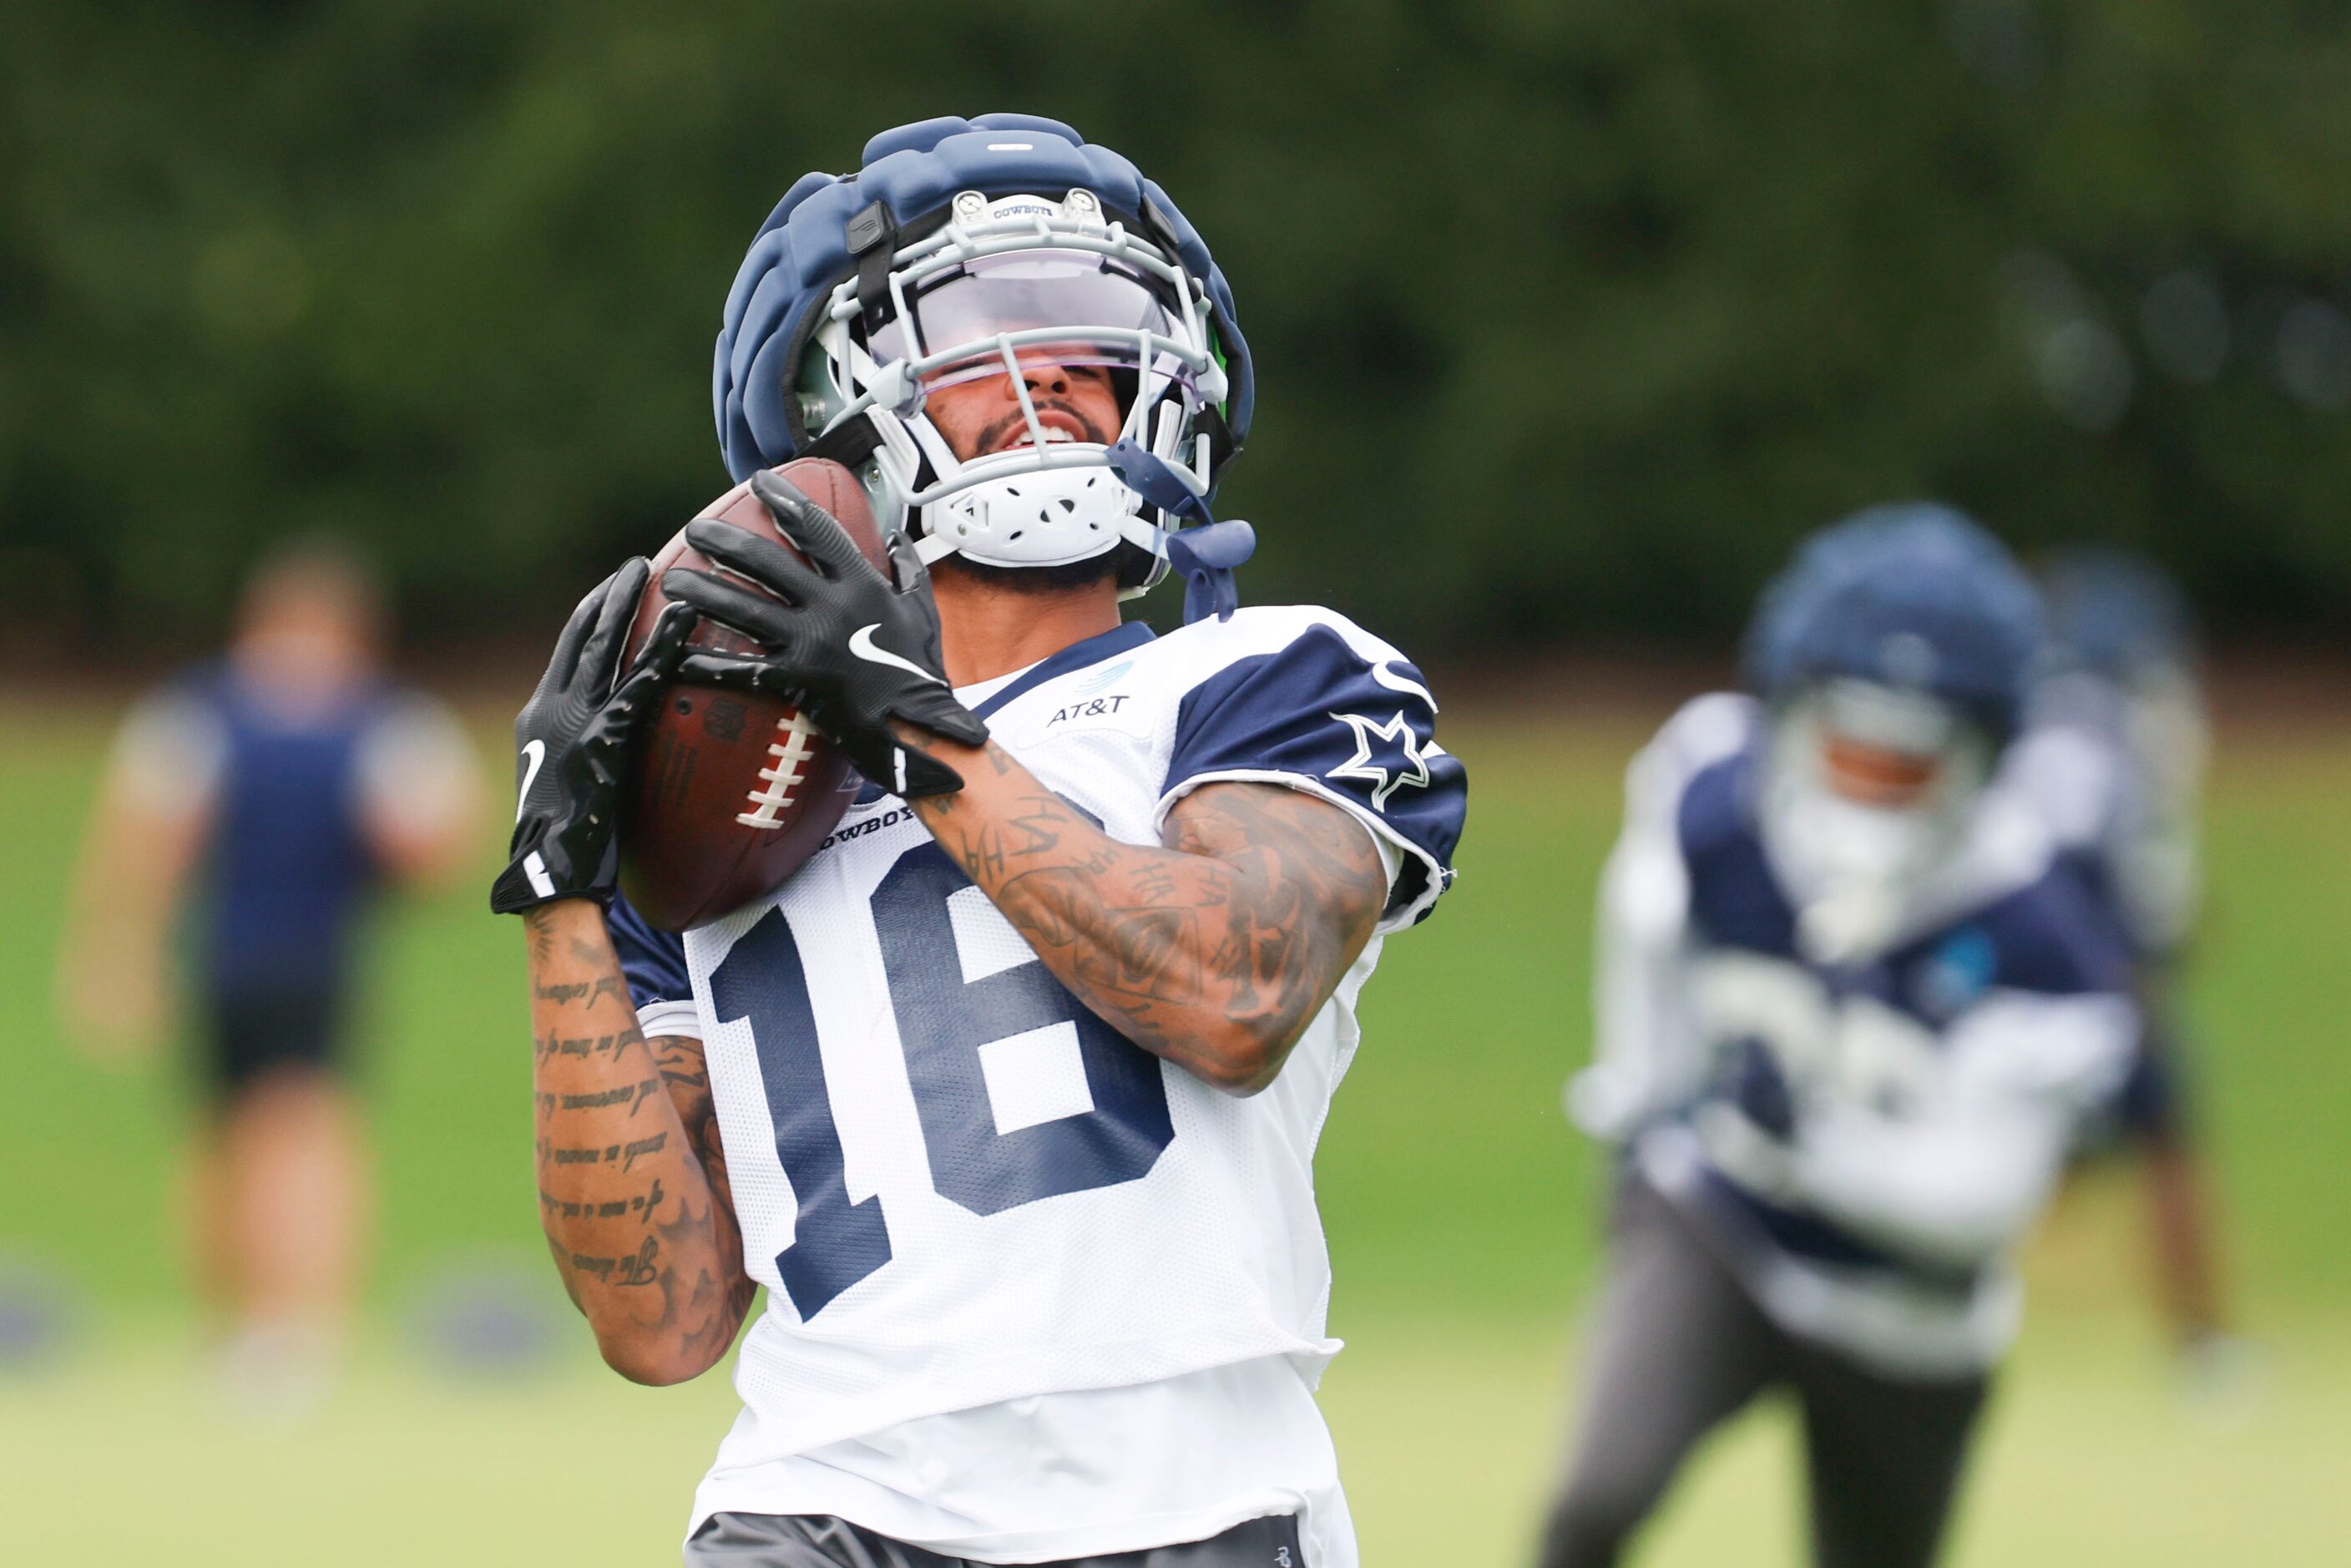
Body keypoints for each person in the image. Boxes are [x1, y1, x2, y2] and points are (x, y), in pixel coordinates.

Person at [489, 114, 1467, 1568]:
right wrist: (563, 894)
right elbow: (662, 1315)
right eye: (991, 319)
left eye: (1106, 326)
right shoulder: (714, 805)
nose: (1060, 364)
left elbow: (1231, 991)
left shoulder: (1262, 674)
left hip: (1189, 1505)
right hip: (811, 1504)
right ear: (835, 400)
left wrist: (909, 723)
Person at [1547, 506, 2139, 1568]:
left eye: (1905, 764)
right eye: (1849, 748)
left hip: (1907, 1319)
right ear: (1791, 711)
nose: (1867, 785)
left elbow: (1976, 1207)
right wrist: (1642, 1107)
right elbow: (1646, 960)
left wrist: (1802, 1143)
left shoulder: (2039, 929)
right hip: (1720, 1230)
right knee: (1591, 1502)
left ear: (1982, 752)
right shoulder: (1708, 797)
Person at [57, 536, 483, 1403]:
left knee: (301, 1131)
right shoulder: (207, 714)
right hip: (228, 957)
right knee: (225, 1140)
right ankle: (238, 1325)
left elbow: (439, 847)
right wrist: (117, 951)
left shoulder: (378, 725)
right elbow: (147, 838)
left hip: (314, 961)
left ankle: (298, 1329)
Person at [2001, 547, 2242, 1382]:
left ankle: (1947, 1312)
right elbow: (2135, 885)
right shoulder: (2123, 727)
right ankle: (2203, 1351)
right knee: (2165, 1147)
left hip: (2004, 965)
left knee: (2010, 1148)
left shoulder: (2024, 715)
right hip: (2103, 969)